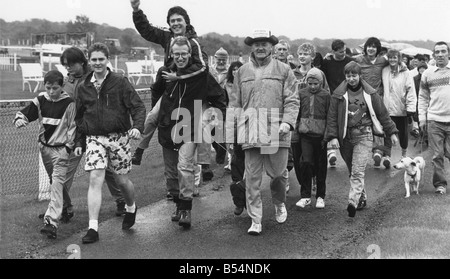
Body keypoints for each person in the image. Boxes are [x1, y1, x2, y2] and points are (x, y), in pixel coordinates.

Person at [130, 1, 212, 193]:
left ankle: (204, 166)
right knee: (152, 117)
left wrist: (180, 75)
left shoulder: (194, 42)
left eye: (179, 20)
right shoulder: (167, 37)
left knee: (201, 128)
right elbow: (147, 30)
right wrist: (136, 10)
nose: (175, 23)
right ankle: (140, 150)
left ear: (186, 22)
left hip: (191, 92)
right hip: (172, 90)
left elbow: (203, 67)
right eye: (172, 21)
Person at [228, 29, 299, 235]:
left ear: (271, 47)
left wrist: (288, 122)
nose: (260, 47)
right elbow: (235, 104)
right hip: (250, 130)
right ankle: (256, 219)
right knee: (252, 179)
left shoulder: (284, 70)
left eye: (264, 43)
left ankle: (279, 203)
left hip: (277, 130)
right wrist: (232, 132)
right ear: (252, 47)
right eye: (256, 43)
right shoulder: (242, 72)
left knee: (278, 175)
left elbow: (292, 100)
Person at [74, 43, 146, 244]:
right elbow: (79, 118)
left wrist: (137, 127)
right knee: (95, 178)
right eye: (94, 59)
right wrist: (79, 141)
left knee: (122, 181)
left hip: (119, 137)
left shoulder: (120, 82)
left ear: (107, 60)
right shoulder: (83, 87)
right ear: (89, 61)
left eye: (101, 59)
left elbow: (138, 107)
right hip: (94, 138)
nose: (97, 63)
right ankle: (93, 228)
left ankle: (131, 207)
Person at [157, 36, 226, 228]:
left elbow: (219, 97)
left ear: (190, 53)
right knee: (171, 173)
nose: (180, 58)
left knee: (185, 165)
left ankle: (186, 208)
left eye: (183, 54)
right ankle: (179, 205)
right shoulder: (164, 72)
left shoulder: (201, 75)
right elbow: (157, 96)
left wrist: (216, 120)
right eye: (176, 54)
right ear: (171, 53)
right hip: (168, 127)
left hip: (190, 126)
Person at [59, 47, 127, 220]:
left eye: (71, 64)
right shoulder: (66, 82)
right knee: (65, 171)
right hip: (72, 134)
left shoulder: (93, 80)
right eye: (65, 65)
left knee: (108, 171)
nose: (68, 68)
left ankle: (121, 201)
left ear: (82, 62)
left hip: (94, 132)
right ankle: (62, 206)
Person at [325, 61, 398, 218]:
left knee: (358, 170)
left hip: (364, 134)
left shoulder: (370, 94)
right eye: (348, 76)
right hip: (345, 136)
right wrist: (332, 137)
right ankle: (362, 198)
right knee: (353, 171)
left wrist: (391, 132)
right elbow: (331, 117)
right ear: (345, 77)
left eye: (354, 75)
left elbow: (382, 114)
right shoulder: (338, 95)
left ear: (360, 76)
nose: (351, 79)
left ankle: (352, 202)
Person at [14, 70, 76, 239]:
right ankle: (67, 208)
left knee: (56, 184)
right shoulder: (40, 100)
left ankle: (51, 222)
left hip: (61, 150)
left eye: (55, 88)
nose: (51, 92)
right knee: (55, 182)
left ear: (62, 86)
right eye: (48, 88)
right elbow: (25, 113)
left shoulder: (69, 103)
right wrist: (20, 120)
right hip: (45, 149)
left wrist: (68, 148)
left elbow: (73, 127)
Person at [295, 68, 330, 209]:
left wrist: (327, 135)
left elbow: (330, 116)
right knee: (306, 163)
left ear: (321, 82)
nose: (313, 86)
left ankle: (321, 196)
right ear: (306, 82)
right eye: (310, 83)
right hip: (305, 135)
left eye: (316, 83)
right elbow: (296, 113)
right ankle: (305, 196)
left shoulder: (326, 95)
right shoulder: (301, 93)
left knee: (321, 166)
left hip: (321, 137)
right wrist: (296, 130)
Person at [418, 41, 450, 195]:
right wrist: (422, 119)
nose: (440, 55)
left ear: (448, 53)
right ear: (433, 55)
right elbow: (423, 98)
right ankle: (440, 185)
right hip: (434, 120)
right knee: (437, 155)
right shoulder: (427, 74)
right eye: (437, 52)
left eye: (443, 51)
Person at [321, 39, 353, 168]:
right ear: (333, 51)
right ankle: (331, 151)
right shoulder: (327, 62)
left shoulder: (350, 62)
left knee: (345, 123)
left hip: (346, 96)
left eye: (344, 51)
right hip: (332, 96)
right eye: (340, 52)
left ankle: (347, 151)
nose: (343, 54)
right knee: (331, 122)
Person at [381, 49, 417, 162]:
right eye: (390, 57)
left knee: (403, 133)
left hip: (401, 107)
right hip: (387, 107)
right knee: (388, 132)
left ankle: (404, 154)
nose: (392, 60)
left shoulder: (405, 72)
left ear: (398, 59)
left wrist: (411, 107)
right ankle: (387, 155)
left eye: (394, 57)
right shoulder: (384, 70)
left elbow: (411, 89)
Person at [223, 61, 246, 215]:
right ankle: (238, 202)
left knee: (251, 172)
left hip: (251, 131)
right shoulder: (227, 87)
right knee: (236, 168)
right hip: (235, 129)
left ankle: (249, 201)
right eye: (234, 70)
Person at [411, 61, 428, 138]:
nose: (422, 70)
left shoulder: (428, 78)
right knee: (418, 119)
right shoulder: (414, 79)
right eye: (420, 68)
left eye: (423, 68)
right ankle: (421, 136)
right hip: (417, 101)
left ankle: (426, 137)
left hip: (427, 101)